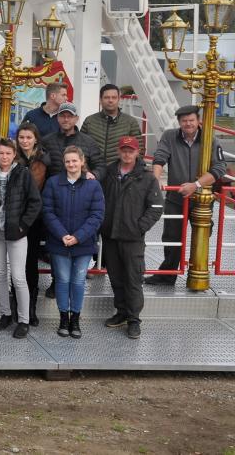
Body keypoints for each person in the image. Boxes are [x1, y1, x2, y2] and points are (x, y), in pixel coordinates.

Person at [148, 104, 225, 285]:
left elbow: (219, 168)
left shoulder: (210, 139)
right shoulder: (169, 136)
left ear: (199, 121)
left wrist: (196, 185)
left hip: (202, 199)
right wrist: (155, 180)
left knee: (203, 235)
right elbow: (160, 158)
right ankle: (168, 275)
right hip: (176, 198)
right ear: (179, 123)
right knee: (172, 236)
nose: (188, 124)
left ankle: (199, 272)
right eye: (184, 121)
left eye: (191, 120)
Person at [99, 136, 164, 340]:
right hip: (110, 235)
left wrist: (139, 228)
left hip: (132, 238)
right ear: (119, 151)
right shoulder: (109, 173)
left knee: (133, 279)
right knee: (116, 278)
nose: (127, 153)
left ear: (138, 153)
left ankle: (134, 319)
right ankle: (121, 312)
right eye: (124, 150)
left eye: (131, 150)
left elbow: (155, 208)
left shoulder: (147, 177)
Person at [0, 138, 42, 339]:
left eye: (8, 153)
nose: (4, 157)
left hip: (16, 233)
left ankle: (23, 320)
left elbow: (35, 202)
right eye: (1, 153)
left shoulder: (23, 174)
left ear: (14, 154)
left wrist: (23, 225)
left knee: (18, 277)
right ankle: (5, 314)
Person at [42, 146, 105, 339]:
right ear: (64, 163)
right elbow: (47, 211)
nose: (71, 164)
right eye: (68, 161)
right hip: (59, 242)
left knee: (78, 281)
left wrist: (78, 236)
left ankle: (75, 318)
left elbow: (97, 214)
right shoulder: (53, 183)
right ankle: (63, 317)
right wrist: (62, 235)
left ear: (82, 161)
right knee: (62, 280)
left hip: (83, 243)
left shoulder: (93, 185)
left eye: (74, 161)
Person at [16, 121, 50, 318]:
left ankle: (31, 308)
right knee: (15, 265)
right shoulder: (13, 157)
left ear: (35, 138)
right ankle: (17, 306)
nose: (25, 141)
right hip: (15, 216)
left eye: (29, 137)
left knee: (30, 264)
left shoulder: (44, 160)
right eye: (21, 137)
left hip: (35, 219)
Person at [81, 83, 143, 166]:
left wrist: (130, 172)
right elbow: (80, 148)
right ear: (100, 100)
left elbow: (139, 149)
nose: (110, 100)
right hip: (93, 172)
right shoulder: (90, 121)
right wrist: (86, 169)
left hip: (119, 173)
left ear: (119, 100)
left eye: (114, 97)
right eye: (106, 97)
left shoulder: (130, 122)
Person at [41, 102, 104, 179]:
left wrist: (94, 174)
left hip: (80, 188)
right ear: (57, 118)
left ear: (76, 118)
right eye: (62, 116)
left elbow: (100, 165)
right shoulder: (46, 141)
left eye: (70, 116)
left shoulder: (89, 142)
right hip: (54, 189)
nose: (66, 119)